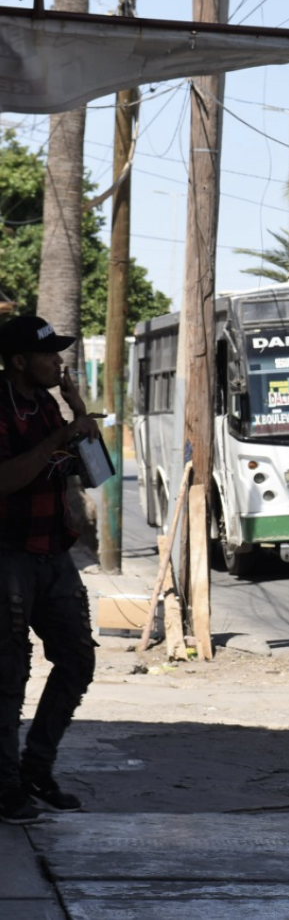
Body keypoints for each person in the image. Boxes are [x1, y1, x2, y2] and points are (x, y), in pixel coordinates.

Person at [0, 316, 102, 825]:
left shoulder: (47, 406)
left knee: (77, 661)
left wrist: (80, 417)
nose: (58, 362)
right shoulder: (3, 407)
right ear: (20, 361)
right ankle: (6, 788)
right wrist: (59, 436)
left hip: (53, 555)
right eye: (49, 355)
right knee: (9, 675)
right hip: (10, 556)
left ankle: (36, 768)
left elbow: (97, 474)